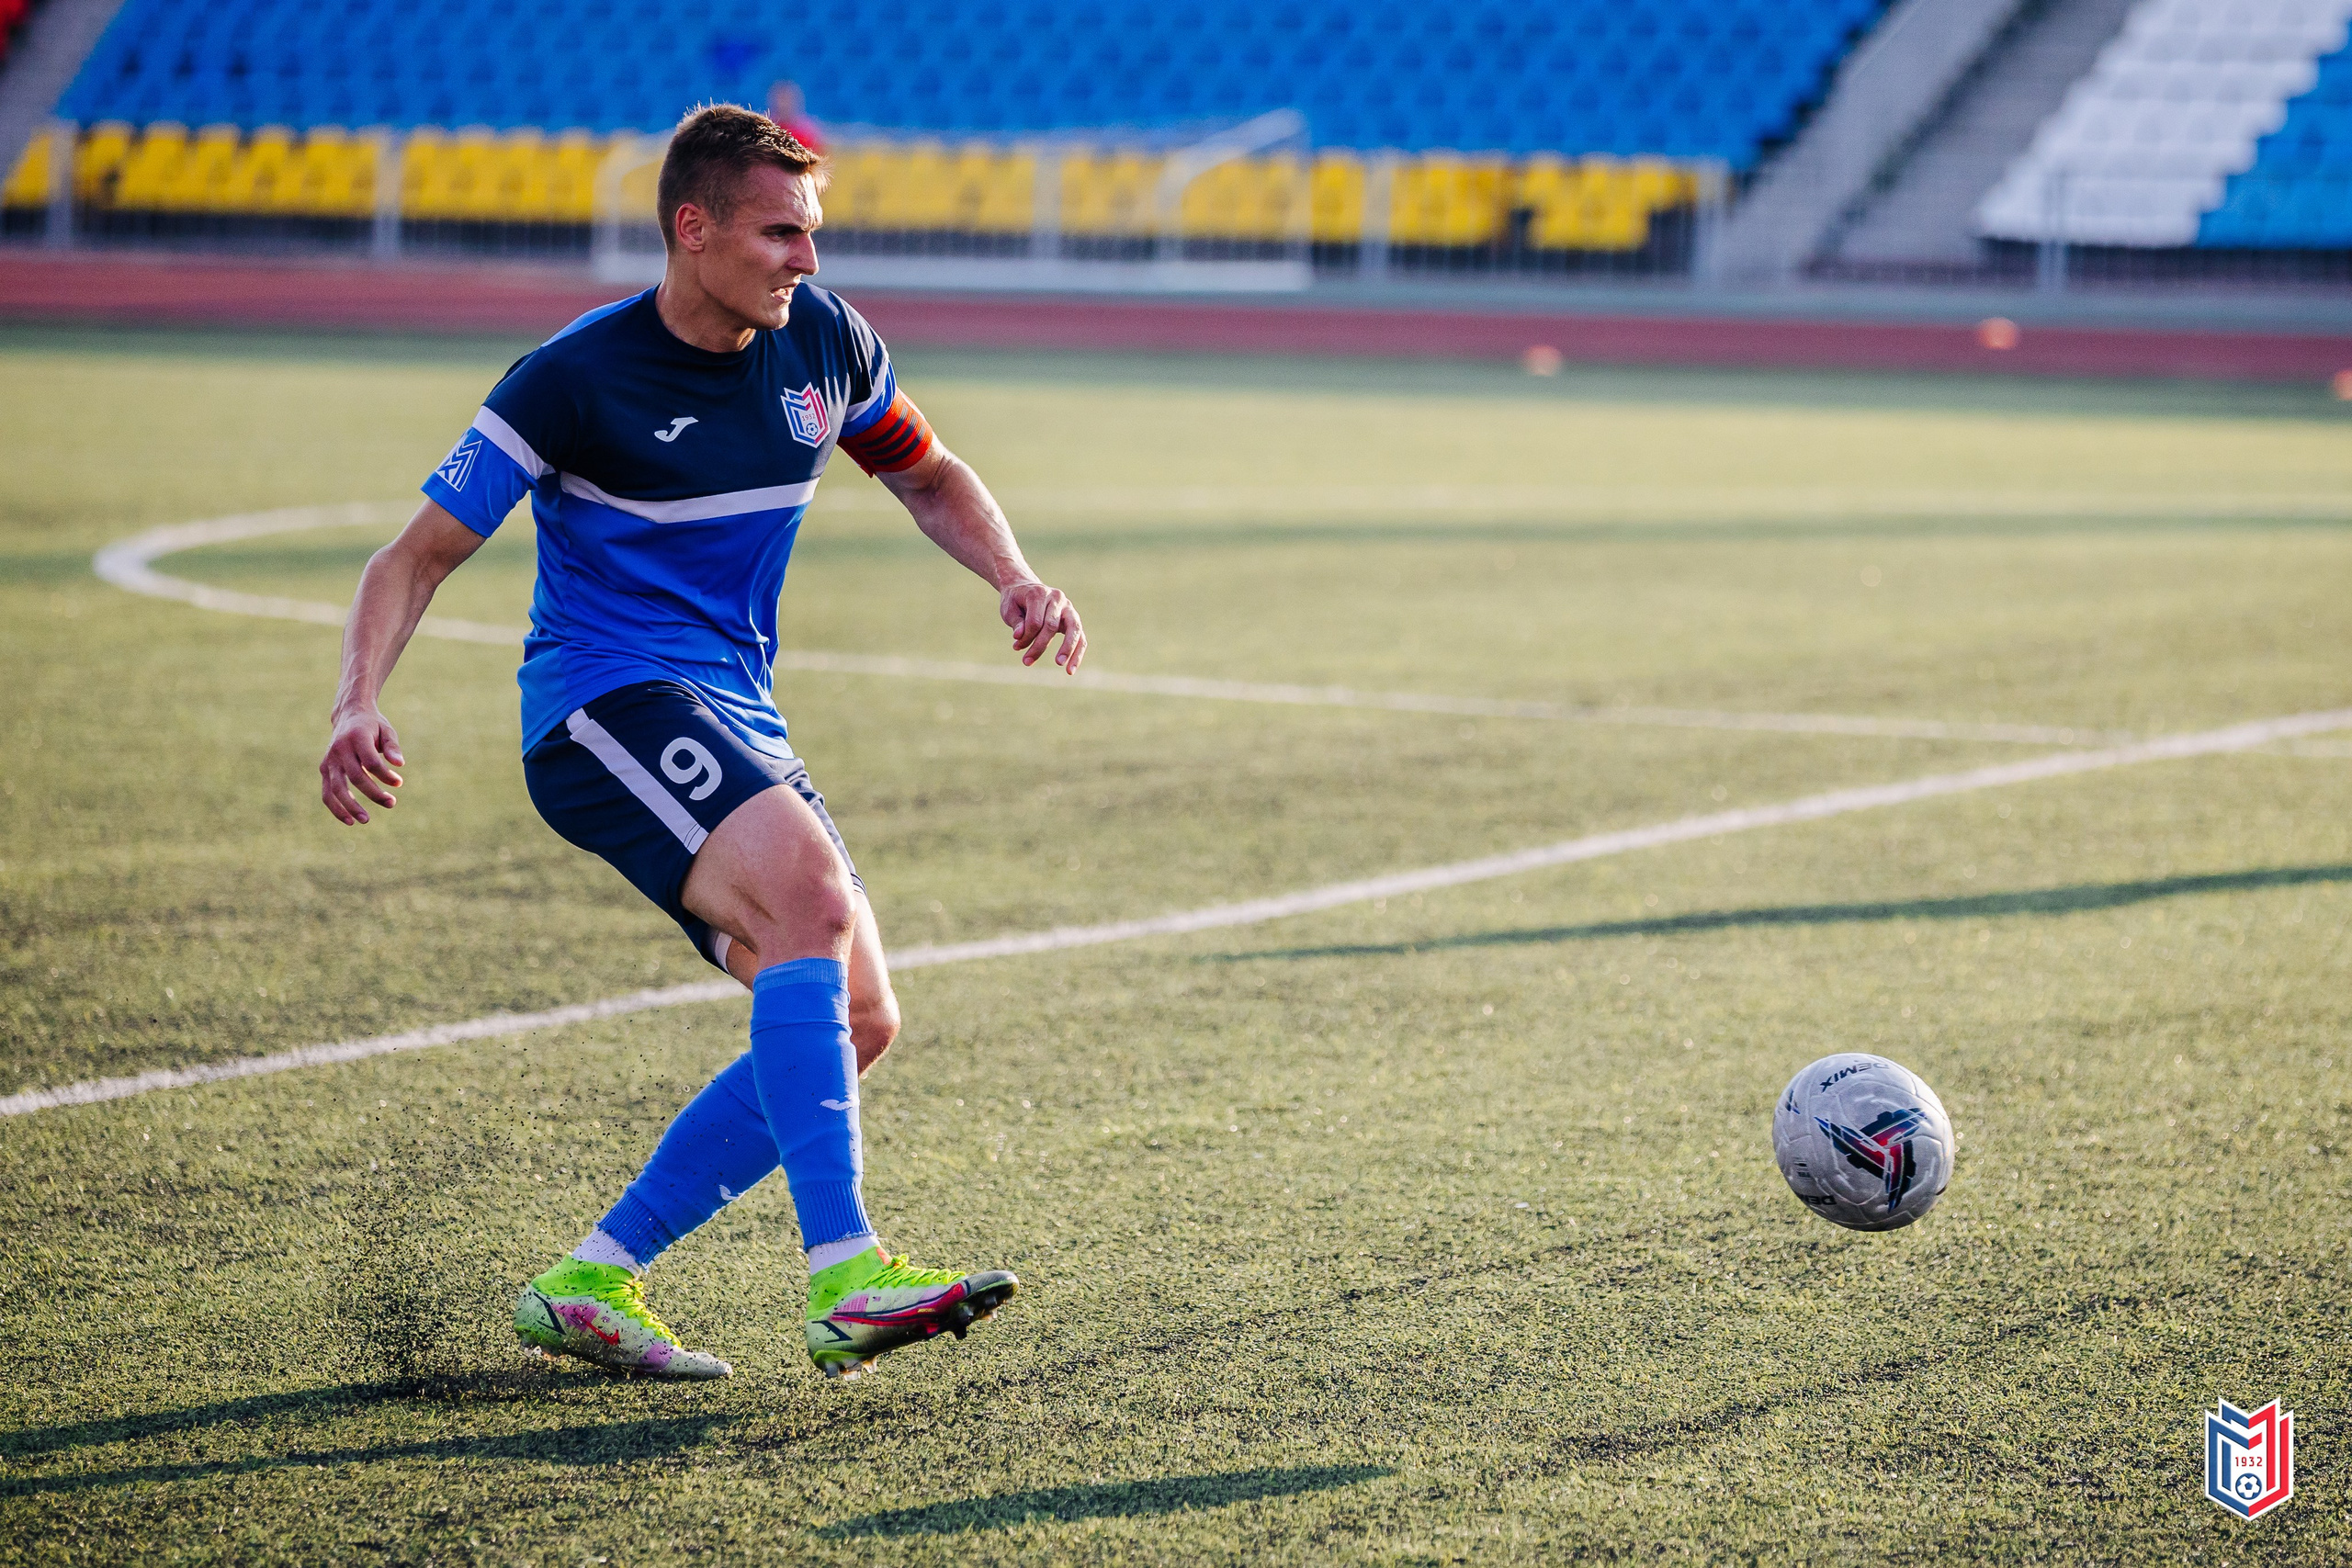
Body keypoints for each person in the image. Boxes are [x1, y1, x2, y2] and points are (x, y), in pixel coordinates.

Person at [317, 103, 1086, 1382]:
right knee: (808, 892)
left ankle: (590, 1280)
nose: (808, 260)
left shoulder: (826, 344)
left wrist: (1012, 575)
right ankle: (845, 1277)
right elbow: (416, 558)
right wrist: (356, 699)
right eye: (781, 233)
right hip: (602, 703)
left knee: (858, 1015)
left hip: (736, 709)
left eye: (814, 233)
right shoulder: (572, 376)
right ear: (694, 229)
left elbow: (930, 474)